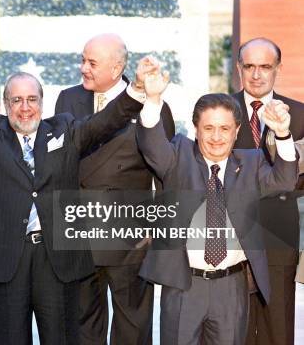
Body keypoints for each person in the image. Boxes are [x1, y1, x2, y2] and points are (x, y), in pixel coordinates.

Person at [0, 50, 149, 343]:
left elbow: (107, 121)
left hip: (56, 259)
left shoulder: (65, 130)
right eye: (16, 100)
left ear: (42, 103)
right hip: (7, 257)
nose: (25, 108)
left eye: (32, 99)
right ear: (5, 105)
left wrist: (136, 89)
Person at [135, 58, 298, 344]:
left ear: (237, 132)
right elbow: (152, 145)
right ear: (195, 129)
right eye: (208, 128)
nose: (216, 137)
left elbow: (285, 180)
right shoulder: (178, 155)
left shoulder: (251, 162)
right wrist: (152, 99)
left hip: (231, 287)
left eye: (225, 129)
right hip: (184, 284)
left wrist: (283, 134)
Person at [55, 33, 174, 345]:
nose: (83, 68)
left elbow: (165, 173)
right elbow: (62, 163)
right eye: (82, 60)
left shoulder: (154, 106)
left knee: (133, 330)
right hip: (79, 234)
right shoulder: (68, 99)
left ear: (117, 67)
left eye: (91, 62)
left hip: (130, 241)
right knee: (82, 329)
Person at [230, 37, 304, 345]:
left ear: (278, 69)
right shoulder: (218, 110)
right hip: (231, 233)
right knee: (236, 326)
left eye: (265, 67)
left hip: (279, 233)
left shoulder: (300, 115)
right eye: (249, 66)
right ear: (239, 69)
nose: (257, 74)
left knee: (278, 326)